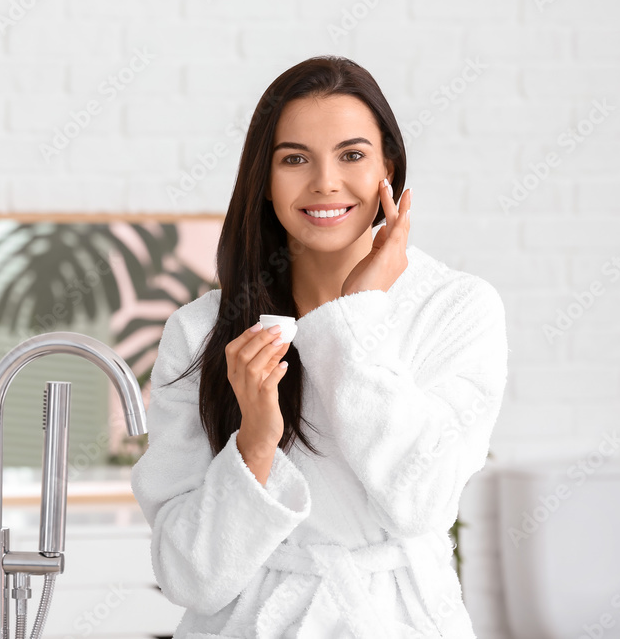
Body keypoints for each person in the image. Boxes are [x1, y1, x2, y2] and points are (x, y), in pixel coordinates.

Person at [130, 55, 509, 638]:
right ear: (264, 178)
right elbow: (189, 578)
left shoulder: (455, 308)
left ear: (389, 168)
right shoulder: (204, 330)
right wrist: (256, 444)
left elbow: (420, 503)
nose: (325, 182)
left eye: (352, 155)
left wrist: (354, 318)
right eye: (294, 159)